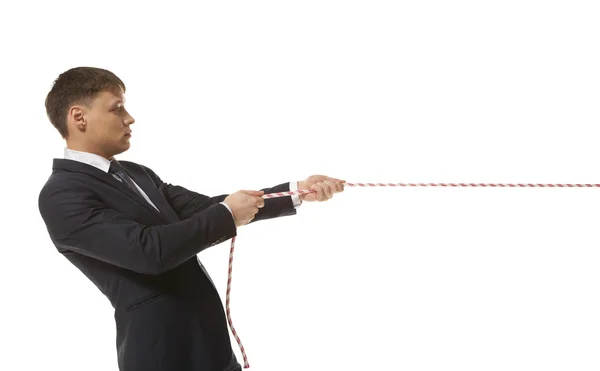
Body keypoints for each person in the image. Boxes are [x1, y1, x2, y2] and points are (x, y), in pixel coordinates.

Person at [38, 66, 345, 371]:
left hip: (213, 350)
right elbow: (149, 252)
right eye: (117, 109)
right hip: (162, 355)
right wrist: (227, 214)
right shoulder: (61, 195)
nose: (129, 118)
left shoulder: (137, 173)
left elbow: (208, 209)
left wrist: (296, 192)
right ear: (79, 117)